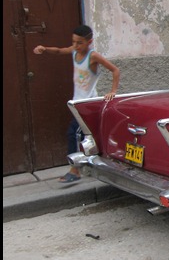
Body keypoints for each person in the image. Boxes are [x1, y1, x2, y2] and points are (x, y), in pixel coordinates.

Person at [33, 25, 120, 183]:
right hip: (77, 103)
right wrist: (44, 49)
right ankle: (97, 162)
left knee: (74, 134)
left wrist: (113, 91)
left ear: (89, 42)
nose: (76, 46)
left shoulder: (93, 56)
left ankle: (75, 170)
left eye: (80, 43)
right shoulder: (74, 51)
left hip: (87, 105)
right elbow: (59, 51)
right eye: (73, 42)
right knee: (87, 135)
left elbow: (115, 70)